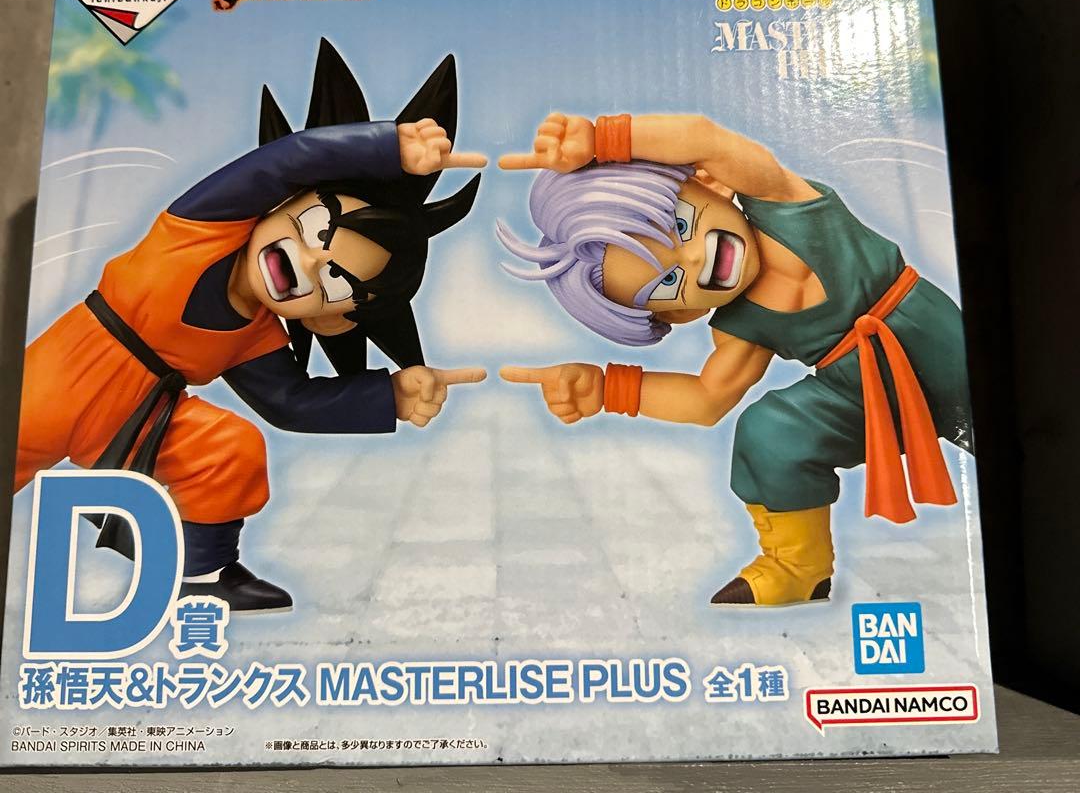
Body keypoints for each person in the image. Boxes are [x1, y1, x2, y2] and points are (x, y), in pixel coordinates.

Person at [16, 39, 487, 612]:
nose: (308, 262)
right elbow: (283, 161)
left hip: (143, 417)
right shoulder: (200, 227)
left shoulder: (256, 336)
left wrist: (388, 395)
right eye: (314, 226)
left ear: (333, 315)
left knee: (230, 448)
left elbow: (291, 404)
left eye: (335, 281)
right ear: (283, 203)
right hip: (63, 376)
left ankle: (203, 574)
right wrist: (386, 146)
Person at [497, 112, 971, 607]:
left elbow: (705, 139)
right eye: (668, 282)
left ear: (710, 183)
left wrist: (603, 139)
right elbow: (706, 399)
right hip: (862, 395)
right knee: (770, 433)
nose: (694, 260)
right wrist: (606, 388)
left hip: (935, 339)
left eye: (680, 226)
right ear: (680, 314)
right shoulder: (740, 328)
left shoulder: (782, 201)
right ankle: (799, 568)